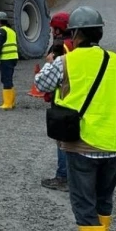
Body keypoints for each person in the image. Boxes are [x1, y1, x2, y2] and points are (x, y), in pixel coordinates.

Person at [33, 6, 116, 231]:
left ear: (75, 34)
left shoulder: (67, 61)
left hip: (83, 145)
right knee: (103, 201)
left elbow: (41, 84)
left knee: (84, 206)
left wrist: (52, 63)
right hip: (115, 143)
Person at [40, 11, 74, 192]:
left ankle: (63, 177)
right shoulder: (76, 44)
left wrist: (47, 65)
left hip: (61, 99)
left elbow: (47, 79)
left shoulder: (60, 47)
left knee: (62, 140)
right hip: (77, 99)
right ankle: (74, 176)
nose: (53, 31)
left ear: (59, 29)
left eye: (54, 28)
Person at [0, 11, 18, 109]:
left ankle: (7, 104)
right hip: (13, 57)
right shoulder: (11, 31)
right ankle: (11, 102)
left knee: (6, 79)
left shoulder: (0, 31)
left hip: (6, 58)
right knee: (9, 79)